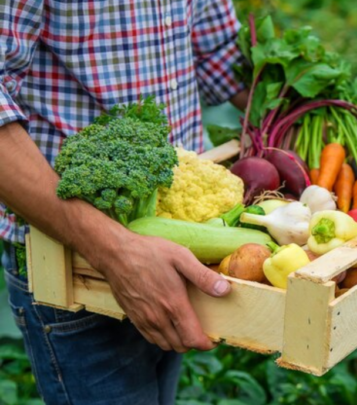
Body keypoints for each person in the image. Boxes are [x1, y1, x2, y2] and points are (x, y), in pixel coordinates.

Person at [0, 1, 250, 403]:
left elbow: (216, 51)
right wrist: (115, 253)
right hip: (76, 265)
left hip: (177, 247)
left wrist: (313, 109)